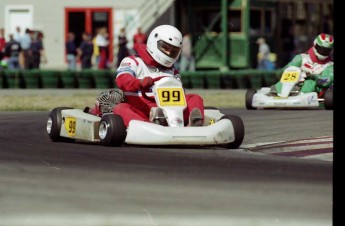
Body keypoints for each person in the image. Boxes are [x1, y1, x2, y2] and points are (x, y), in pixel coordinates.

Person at [88, 24, 204, 127]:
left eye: (173, 51)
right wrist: (140, 83)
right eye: (165, 48)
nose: (169, 53)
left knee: (195, 98)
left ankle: (192, 125)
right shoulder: (133, 62)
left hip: (172, 112)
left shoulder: (173, 71)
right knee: (120, 109)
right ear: (154, 42)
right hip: (141, 111)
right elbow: (122, 79)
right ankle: (150, 126)